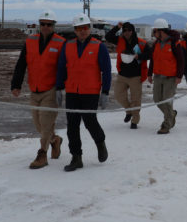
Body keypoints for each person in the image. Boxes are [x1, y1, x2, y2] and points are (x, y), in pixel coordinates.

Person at [55, 13, 111, 171]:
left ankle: (100, 143)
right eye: (79, 28)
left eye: (85, 28)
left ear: (90, 29)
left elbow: (106, 71)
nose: (82, 31)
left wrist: (105, 92)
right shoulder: (68, 45)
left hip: (90, 92)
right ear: (75, 30)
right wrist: (59, 88)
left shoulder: (99, 46)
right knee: (72, 126)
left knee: (90, 121)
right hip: (72, 91)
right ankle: (76, 157)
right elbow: (61, 68)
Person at [10, 10, 66, 169]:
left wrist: (61, 88)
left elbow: (64, 68)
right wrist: (16, 85)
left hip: (51, 89)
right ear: (39, 25)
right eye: (43, 24)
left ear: (53, 26)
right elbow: (21, 64)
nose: (45, 27)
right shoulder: (30, 41)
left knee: (46, 123)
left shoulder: (61, 43)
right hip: (34, 89)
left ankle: (42, 154)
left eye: (49, 24)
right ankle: (55, 140)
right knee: (39, 125)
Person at [105, 21, 149, 129]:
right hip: (122, 75)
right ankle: (129, 111)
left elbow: (149, 54)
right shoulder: (119, 40)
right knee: (118, 96)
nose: (127, 32)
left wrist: (140, 56)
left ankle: (135, 120)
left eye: (129, 30)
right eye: (124, 30)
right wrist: (117, 27)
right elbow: (108, 37)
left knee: (136, 100)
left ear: (133, 31)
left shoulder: (141, 43)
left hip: (136, 75)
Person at [146, 18, 184, 134]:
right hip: (158, 76)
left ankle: (166, 124)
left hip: (170, 78)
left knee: (167, 101)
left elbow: (181, 61)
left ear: (161, 31)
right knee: (157, 100)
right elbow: (153, 59)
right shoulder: (156, 44)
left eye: (155, 31)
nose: (154, 33)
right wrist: (149, 74)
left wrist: (179, 76)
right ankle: (171, 114)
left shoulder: (174, 43)